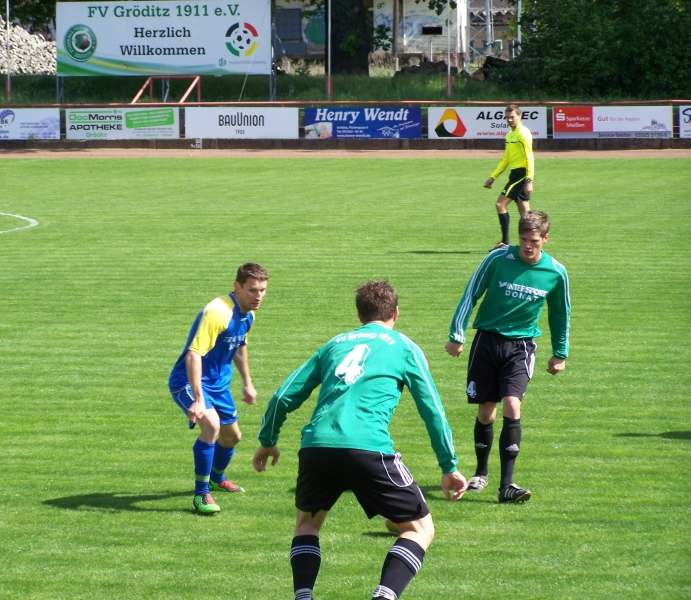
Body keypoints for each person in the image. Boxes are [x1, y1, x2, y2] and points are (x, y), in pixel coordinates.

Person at [253, 280, 466, 600]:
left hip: (317, 448)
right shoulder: (404, 347)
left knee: (307, 525)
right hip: (368, 449)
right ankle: (384, 596)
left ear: (359, 314)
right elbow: (432, 409)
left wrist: (268, 439)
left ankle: (303, 596)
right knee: (419, 529)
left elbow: (282, 396)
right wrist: (449, 466)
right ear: (396, 312)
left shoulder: (335, 344)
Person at [445, 211, 570, 504]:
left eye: (534, 241)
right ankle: (481, 472)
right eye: (523, 239)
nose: (527, 245)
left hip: (520, 347)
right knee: (486, 411)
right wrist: (457, 335)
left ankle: (506, 486)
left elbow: (560, 313)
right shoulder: (497, 259)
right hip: (487, 341)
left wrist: (559, 353)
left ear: (546, 239)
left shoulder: (555, 272)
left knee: (512, 405)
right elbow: (471, 293)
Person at [168, 263, 269, 514]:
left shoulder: (249, 314)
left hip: (218, 385)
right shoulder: (218, 312)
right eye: (252, 290)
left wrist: (247, 383)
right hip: (188, 381)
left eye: (262, 290)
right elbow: (193, 355)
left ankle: (216, 478)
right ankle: (201, 494)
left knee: (232, 436)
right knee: (211, 426)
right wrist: (198, 399)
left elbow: (239, 346)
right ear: (237, 287)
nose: (258, 296)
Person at [484, 104, 534, 252]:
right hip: (515, 173)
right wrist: (493, 177)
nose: (510, 120)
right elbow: (506, 159)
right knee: (525, 212)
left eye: (512, 117)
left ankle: (505, 242)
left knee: (500, 204)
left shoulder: (523, 134)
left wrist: (529, 180)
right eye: (507, 117)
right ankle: (533, 239)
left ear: (519, 116)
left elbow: (529, 157)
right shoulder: (510, 135)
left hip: (521, 174)